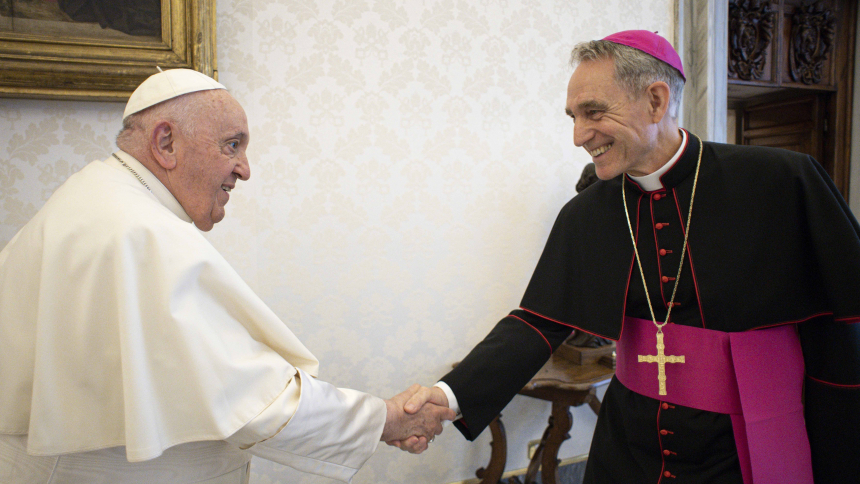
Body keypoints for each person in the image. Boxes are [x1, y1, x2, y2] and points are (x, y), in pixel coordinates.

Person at [394, 30, 860, 483]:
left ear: (656, 101)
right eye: (572, 116)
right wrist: (446, 397)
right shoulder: (588, 211)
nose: (579, 135)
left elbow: (844, 320)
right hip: (630, 443)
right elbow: (538, 320)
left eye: (593, 112)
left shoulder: (782, 181)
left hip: (748, 440)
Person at [0, 68, 454, 484]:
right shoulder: (138, 232)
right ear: (165, 143)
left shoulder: (96, 198)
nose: (245, 169)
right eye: (231, 145)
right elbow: (252, 398)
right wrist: (387, 418)